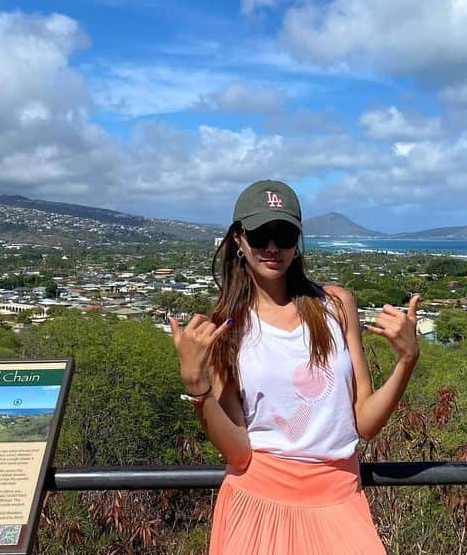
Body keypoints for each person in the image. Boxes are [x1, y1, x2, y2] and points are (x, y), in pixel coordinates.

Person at [168, 180, 421, 555]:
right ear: (239, 239)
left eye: (283, 235)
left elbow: (365, 422)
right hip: (257, 504)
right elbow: (238, 452)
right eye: (259, 235)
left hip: (339, 499)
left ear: (297, 241)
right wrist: (194, 382)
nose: (272, 248)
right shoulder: (226, 327)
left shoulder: (335, 305)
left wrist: (407, 360)